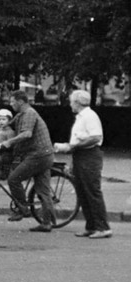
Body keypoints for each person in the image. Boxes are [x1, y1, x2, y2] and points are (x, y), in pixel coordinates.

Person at [54, 90, 111, 239]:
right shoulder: (81, 117)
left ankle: (103, 228)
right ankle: (91, 226)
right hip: (81, 155)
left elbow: (95, 137)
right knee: (82, 191)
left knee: (91, 191)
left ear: (77, 103)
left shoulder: (89, 116)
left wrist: (71, 146)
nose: (70, 104)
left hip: (89, 155)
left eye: (71, 102)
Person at [0, 90, 55, 232]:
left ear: (20, 101)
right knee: (43, 190)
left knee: (13, 179)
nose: (11, 104)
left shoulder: (29, 113)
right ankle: (46, 223)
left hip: (38, 155)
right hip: (45, 154)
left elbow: (27, 133)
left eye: (12, 102)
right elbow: (5, 127)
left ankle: (23, 209)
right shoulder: (20, 115)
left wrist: (9, 142)